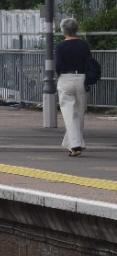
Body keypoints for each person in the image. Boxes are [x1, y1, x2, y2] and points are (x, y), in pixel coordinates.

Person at [55, 17, 91, 156]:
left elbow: (58, 65)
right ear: (76, 30)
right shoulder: (84, 44)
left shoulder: (60, 46)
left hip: (66, 79)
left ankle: (75, 145)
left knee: (69, 114)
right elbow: (88, 61)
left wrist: (58, 75)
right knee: (79, 114)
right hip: (82, 79)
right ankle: (75, 143)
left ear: (63, 30)